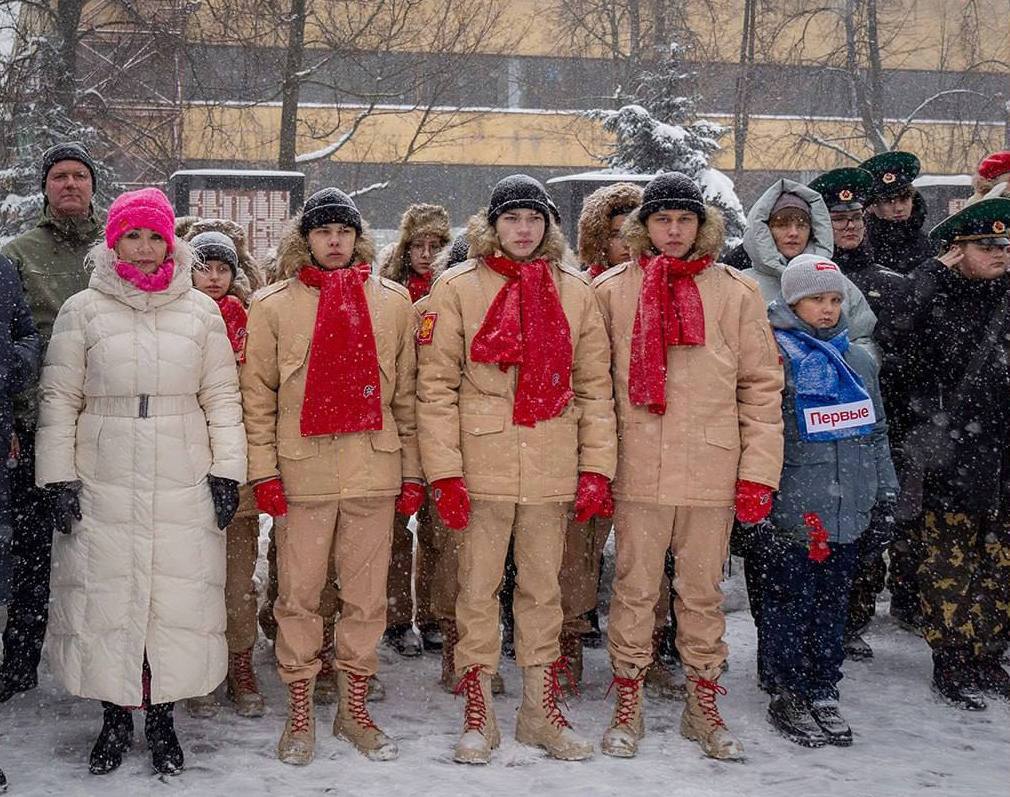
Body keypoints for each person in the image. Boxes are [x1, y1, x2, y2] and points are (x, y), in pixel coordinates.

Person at [34, 187, 246, 776]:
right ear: (115, 241)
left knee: (174, 597)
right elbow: (59, 399)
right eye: (134, 235)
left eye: (156, 236)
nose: (146, 248)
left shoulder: (200, 311)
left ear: (170, 243)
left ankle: (162, 719)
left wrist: (228, 469)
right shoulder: (83, 309)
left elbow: (222, 397)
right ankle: (113, 717)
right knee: (109, 594)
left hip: (183, 467)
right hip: (104, 467)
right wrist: (57, 478)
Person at [417, 174, 617, 765]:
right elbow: (434, 390)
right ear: (493, 225)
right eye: (512, 219)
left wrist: (596, 470)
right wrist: (445, 475)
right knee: (476, 591)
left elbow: (595, 389)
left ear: (548, 226)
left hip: (551, 463)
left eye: (534, 219)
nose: (523, 230)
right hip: (480, 467)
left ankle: (538, 708)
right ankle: (478, 707)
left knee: (543, 592)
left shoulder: (576, 292)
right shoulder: (456, 288)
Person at [595, 172, 784, 761]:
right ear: (643, 226)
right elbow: (593, 391)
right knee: (633, 590)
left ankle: (703, 701)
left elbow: (761, 388)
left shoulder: (735, 291)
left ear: (702, 227)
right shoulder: (610, 291)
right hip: (638, 468)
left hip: (710, 466)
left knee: (701, 593)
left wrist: (759, 473)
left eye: (684, 220)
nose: (673, 231)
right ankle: (627, 695)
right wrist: (597, 469)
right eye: (662, 220)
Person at [241, 188, 421, 764]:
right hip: (304, 473)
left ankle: (354, 706)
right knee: (298, 596)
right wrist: (263, 472)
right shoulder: (272, 306)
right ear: (307, 239)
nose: (335, 241)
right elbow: (258, 401)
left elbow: (409, 399)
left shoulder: (393, 303)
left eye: (344, 231)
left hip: (373, 468)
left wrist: (413, 473)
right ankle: (299, 706)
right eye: (324, 232)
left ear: (358, 237)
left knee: (367, 600)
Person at [762, 254, 897, 748]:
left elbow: (877, 428)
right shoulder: (776, 355)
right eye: (817, 299)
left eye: (835, 299)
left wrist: (885, 492)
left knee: (833, 603)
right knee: (789, 602)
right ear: (793, 301)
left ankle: (822, 687)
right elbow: (762, 432)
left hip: (850, 505)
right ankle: (786, 689)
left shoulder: (859, 359)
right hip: (797, 503)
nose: (827, 308)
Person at [0, 142, 104, 703]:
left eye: (79, 175)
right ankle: (20, 663)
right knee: (35, 551)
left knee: (101, 550)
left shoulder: (118, 248)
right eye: (59, 176)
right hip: (41, 425)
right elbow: (15, 340)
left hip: (110, 426)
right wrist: (17, 417)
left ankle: (100, 667)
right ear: (45, 187)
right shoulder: (18, 254)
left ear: (92, 186)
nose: (69, 184)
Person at [902, 198, 1010, 710]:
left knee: (1000, 562)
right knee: (950, 559)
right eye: (987, 245)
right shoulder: (934, 294)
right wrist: (930, 272)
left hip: (1003, 452)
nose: (1000, 253)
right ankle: (951, 659)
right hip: (954, 452)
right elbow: (893, 329)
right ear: (956, 250)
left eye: (1006, 245)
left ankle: (988, 653)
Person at [808, 168, 913, 661]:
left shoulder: (885, 282)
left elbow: (909, 349)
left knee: (864, 528)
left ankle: (852, 620)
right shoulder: (803, 280)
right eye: (836, 217)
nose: (847, 226)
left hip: (875, 417)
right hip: (814, 429)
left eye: (854, 216)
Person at [182, 228, 266, 719]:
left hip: (239, 467)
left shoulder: (251, 321)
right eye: (204, 267)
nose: (214, 278)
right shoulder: (175, 317)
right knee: (195, 577)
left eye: (223, 269)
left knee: (238, 579)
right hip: (188, 464)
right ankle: (201, 665)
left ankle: (240, 660)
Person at [379, 203, 452, 657]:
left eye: (435, 246)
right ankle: (396, 614)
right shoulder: (392, 292)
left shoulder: (454, 288)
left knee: (440, 530)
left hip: (444, 421)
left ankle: (434, 613)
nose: (426, 254)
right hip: (401, 418)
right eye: (418, 245)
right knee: (393, 529)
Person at [861, 151, 936, 275]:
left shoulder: (929, 243)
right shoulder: (862, 245)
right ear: (871, 206)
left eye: (904, 199)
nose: (899, 208)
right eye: (889, 201)